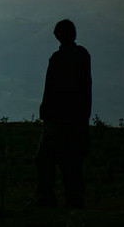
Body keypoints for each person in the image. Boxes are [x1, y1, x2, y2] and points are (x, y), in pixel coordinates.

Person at [35, 19, 92, 209]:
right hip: (77, 119)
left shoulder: (58, 58)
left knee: (45, 159)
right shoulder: (83, 55)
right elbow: (86, 88)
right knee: (72, 163)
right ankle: (75, 202)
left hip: (57, 118)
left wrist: (45, 111)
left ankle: (46, 199)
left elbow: (50, 88)